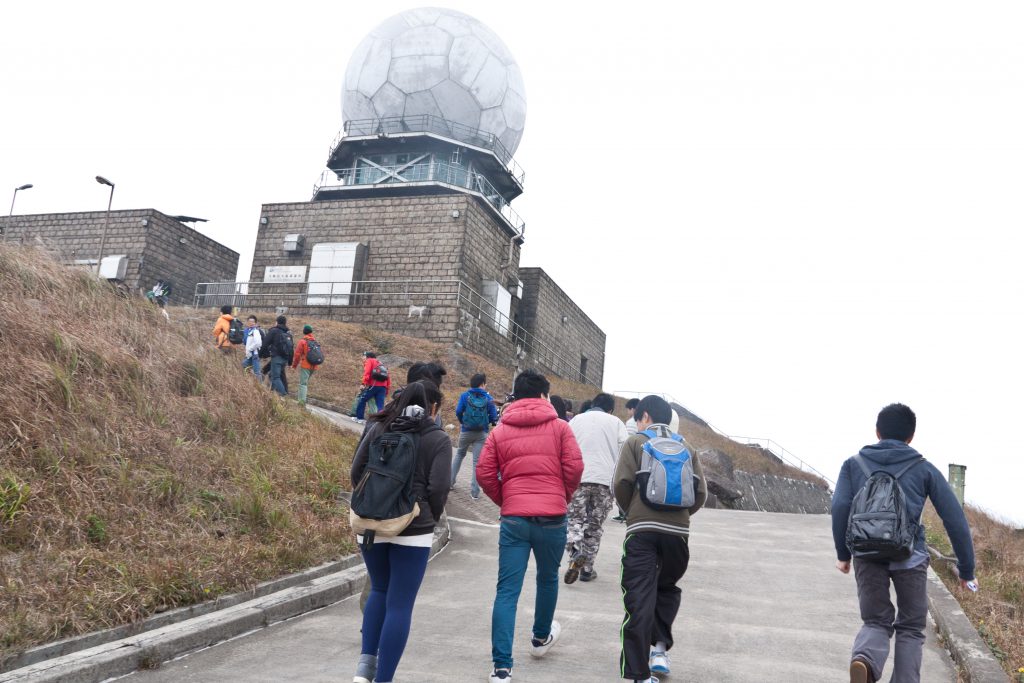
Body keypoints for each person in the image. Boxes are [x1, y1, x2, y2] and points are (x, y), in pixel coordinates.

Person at [831, 403, 976, 683]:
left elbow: (840, 507)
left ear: (877, 432)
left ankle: (865, 661)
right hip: (910, 557)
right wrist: (967, 569)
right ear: (911, 436)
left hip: (867, 554)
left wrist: (843, 553)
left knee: (875, 620)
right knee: (910, 628)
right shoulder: (923, 468)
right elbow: (954, 518)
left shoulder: (853, 464)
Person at [477, 369, 583, 683]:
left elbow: (484, 473)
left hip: (514, 519)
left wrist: (506, 500)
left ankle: (501, 669)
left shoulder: (499, 431)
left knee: (507, 591)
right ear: (542, 396)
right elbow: (575, 467)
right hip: (552, 517)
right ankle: (539, 639)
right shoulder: (561, 428)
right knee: (548, 578)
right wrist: (561, 495)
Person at [349, 381, 452, 683]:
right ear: (433, 407)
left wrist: (375, 501)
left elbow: (357, 471)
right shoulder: (436, 437)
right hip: (413, 526)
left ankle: (363, 672)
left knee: (379, 590)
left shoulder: (378, 425)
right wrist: (428, 515)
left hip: (370, 522)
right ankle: (384, 680)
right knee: (400, 603)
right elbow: (440, 486)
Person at [614, 395, 707, 683]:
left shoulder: (636, 442)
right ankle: (659, 651)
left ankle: (639, 674)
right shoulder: (687, 447)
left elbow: (621, 484)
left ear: (643, 417)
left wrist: (634, 512)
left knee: (639, 596)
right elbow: (700, 493)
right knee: (666, 589)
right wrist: (680, 515)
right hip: (678, 535)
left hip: (642, 530)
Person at [564, 393, 628, 584]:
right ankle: (587, 569)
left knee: (574, 520)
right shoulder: (616, 422)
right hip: (605, 480)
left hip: (578, 478)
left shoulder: (576, 420)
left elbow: (565, 446)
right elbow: (625, 450)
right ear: (610, 409)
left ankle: (575, 553)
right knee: (594, 525)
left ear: (592, 404)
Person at [450, 373, 499, 500]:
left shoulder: (465, 396)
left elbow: (458, 411)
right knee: (477, 462)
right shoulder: (488, 398)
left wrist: (463, 422)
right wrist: (489, 422)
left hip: (466, 431)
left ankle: (449, 483)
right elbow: (494, 416)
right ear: (482, 384)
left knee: (460, 455)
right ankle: (474, 492)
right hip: (481, 434)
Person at [353, 352, 391, 423]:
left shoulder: (369, 361)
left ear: (367, 356)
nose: (362, 358)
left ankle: (359, 418)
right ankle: (380, 421)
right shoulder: (380, 363)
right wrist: (387, 389)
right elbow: (388, 377)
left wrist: (363, 383)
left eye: (363, 356)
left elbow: (367, 373)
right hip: (383, 387)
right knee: (380, 405)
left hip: (374, 385)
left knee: (362, 400)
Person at [263, 315, 292, 397]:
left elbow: (265, 343)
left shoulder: (274, 331)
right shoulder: (288, 333)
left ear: (277, 322)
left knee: (275, 377)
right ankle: (273, 393)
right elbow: (291, 349)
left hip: (277, 358)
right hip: (285, 359)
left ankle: (283, 394)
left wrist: (261, 354)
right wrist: (290, 362)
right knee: (278, 375)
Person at [291, 324, 318, 406]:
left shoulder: (303, 341)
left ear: (304, 331)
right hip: (314, 366)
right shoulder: (315, 341)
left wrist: (294, 366)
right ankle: (302, 400)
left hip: (306, 365)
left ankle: (301, 402)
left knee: (303, 384)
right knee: (305, 383)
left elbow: (297, 355)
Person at [241, 315, 262, 380]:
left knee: (257, 372)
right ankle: (249, 380)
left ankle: (260, 387)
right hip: (250, 354)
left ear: (255, 323)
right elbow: (245, 341)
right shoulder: (247, 330)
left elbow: (258, 343)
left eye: (252, 322)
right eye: (249, 321)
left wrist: (250, 349)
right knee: (244, 364)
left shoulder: (255, 331)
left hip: (255, 354)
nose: (251, 323)